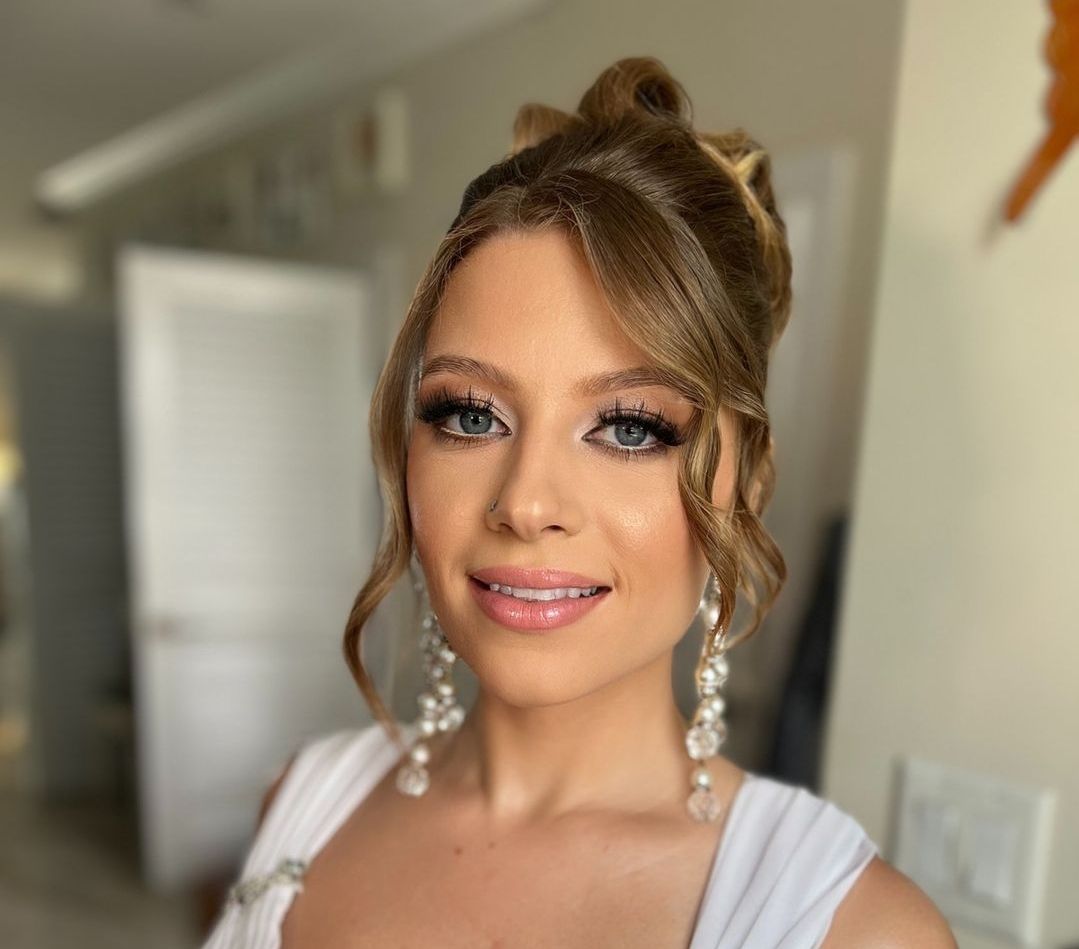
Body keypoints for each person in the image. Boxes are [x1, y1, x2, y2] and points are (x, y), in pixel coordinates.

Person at [202, 56, 956, 948]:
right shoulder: (301, 801)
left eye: (630, 427)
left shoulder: (851, 929)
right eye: (470, 414)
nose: (525, 502)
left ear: (747, 480)